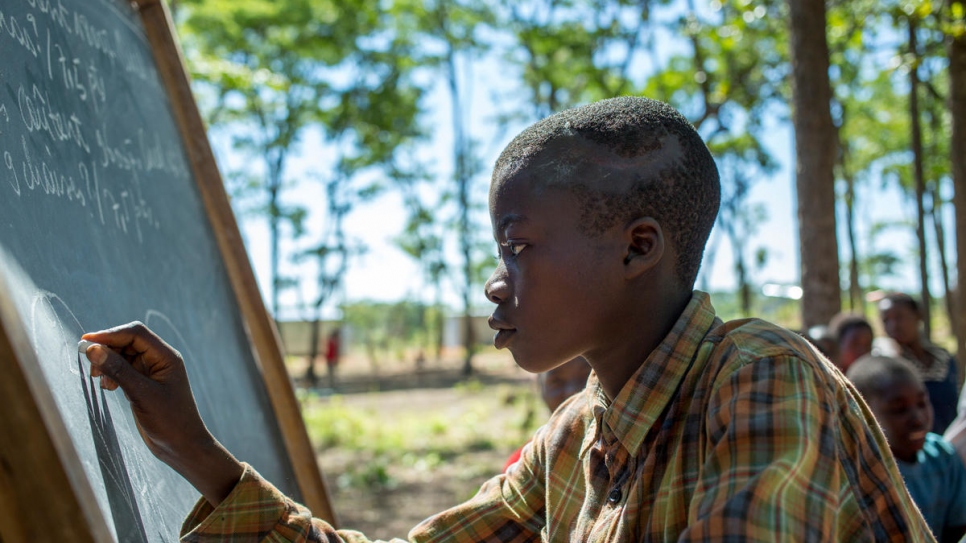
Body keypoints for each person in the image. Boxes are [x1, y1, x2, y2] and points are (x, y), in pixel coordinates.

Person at [81, 96, 931, 541]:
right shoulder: (572, 444)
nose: (495, 284)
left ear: (639, 248)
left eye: (518, 246)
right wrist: (198, 455)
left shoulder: (759, 375)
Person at [847, 355, 966, 542]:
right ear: (863, 417)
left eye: (922, 403)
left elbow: (957, 529)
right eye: (899, 410)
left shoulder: (944, 457)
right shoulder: (860, 472)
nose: (917, 418)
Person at [878, 292, 959, 434]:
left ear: (918, 315)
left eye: (899, 317)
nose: (893, 326)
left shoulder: (944, 358)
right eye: (886, 320)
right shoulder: (889, 364)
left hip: (952, 448)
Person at [503, 356, 591, 472]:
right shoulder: (521, 466)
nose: (572, 391)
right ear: (540, 388)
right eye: (557, 381)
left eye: (587, 377)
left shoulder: (619, 452)